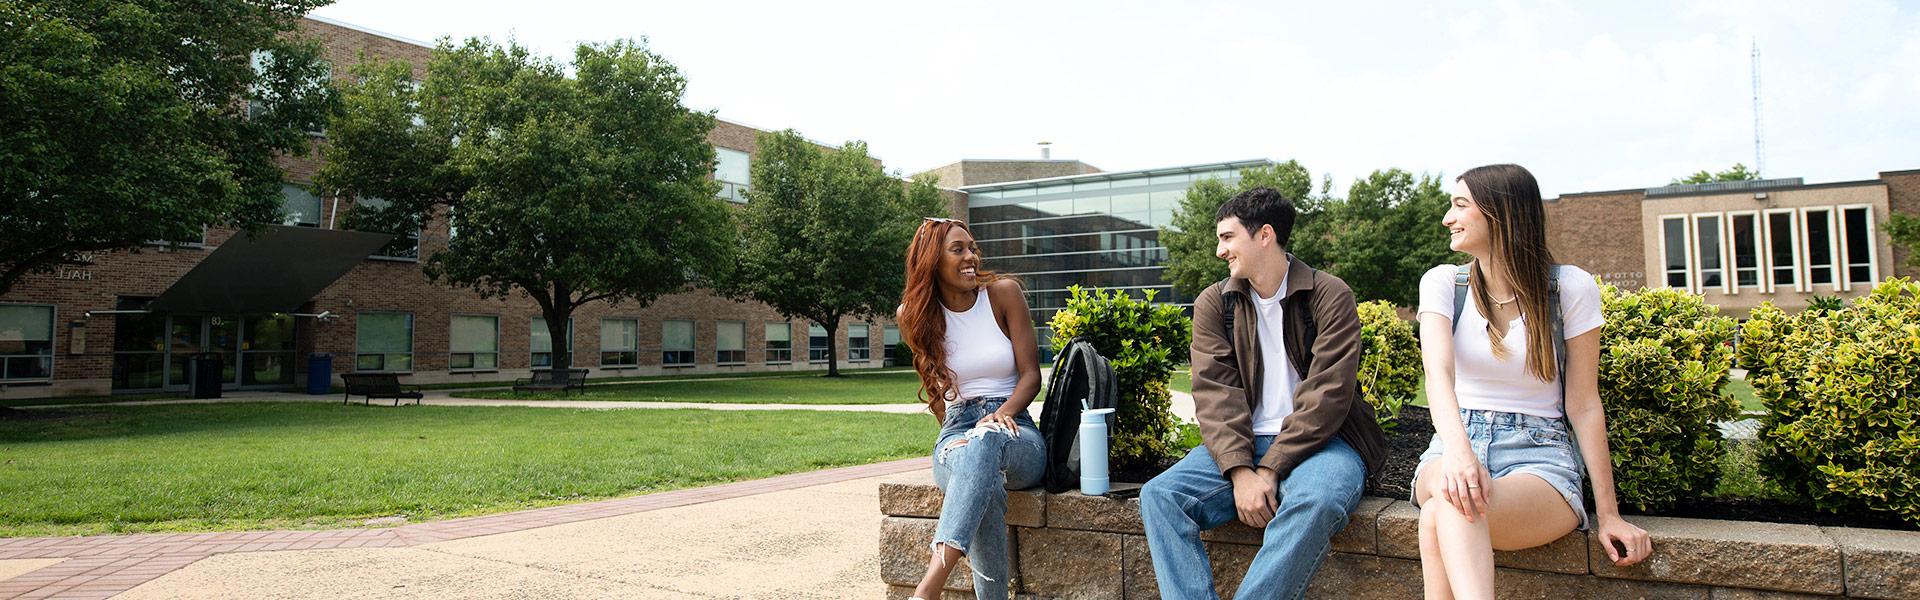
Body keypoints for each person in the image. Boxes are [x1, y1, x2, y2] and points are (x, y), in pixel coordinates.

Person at [1414, 164, 1651, 599]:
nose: (1448, 218)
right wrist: (1461, 455)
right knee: (1453, 492)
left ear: (1500, 214)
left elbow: (1583, 403)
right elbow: (1439, 377)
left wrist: (1610, 514)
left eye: (1460, 205)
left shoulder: (1569, 289)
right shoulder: (1443, 284)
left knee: (1438, 516)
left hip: (1539, 455)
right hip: (1452, 442)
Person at [1140, 188, 1387, 600]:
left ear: (1265, 235)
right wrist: (1240, 472)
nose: (1220, 251)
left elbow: (1328, 395)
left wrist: (1269, 470)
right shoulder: (1215, 304)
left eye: (1227, 237)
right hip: (1243, 443)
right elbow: (1215, 393)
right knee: (1160, 496)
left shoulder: (1329, 295)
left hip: (1326, 444)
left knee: (1317, 501)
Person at [895, 216, 1046, 600]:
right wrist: (960, 438)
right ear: (932, 259)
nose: (971, 258)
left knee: (985, 442)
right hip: (958, 432)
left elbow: (1031, 376)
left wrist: (1003, 414)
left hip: (1014, 428)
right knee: (982, 476)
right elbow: (937, 391)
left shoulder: (1003, 294)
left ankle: (930, 585)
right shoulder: (912, 316)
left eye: (972, 248)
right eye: (958, 249)